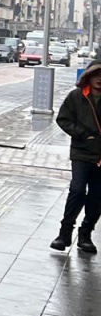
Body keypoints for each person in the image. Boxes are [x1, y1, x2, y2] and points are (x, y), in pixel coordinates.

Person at [53, 57, 101, 253]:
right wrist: (82, 134)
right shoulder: (76, 96)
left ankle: (86, 234)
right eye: (96, 75)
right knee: (77, 190)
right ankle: (64, 233)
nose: (99, 79)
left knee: (97, 196)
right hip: (82, 152)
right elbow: (63, 119)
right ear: (88, 77)